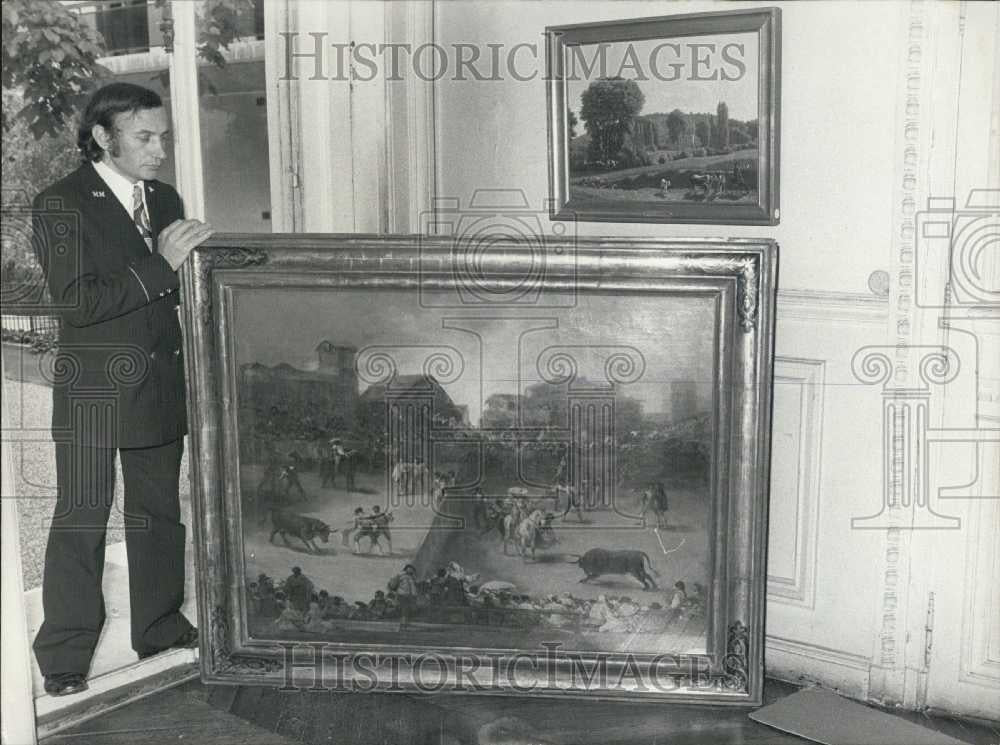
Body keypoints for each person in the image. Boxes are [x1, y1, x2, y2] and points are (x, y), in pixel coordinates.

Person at [30, 83, 214, 697]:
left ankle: (159, 625)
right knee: (81, 518)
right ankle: (64, 654)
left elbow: (177, 295)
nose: (160, 149)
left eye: (163, 136)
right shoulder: (59, 204)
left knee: (160, 514)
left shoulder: (166, 199)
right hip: (93, 394)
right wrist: (160, 264)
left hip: (159, 386)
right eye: (145, 137)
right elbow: (78, 302)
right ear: (103, 139)